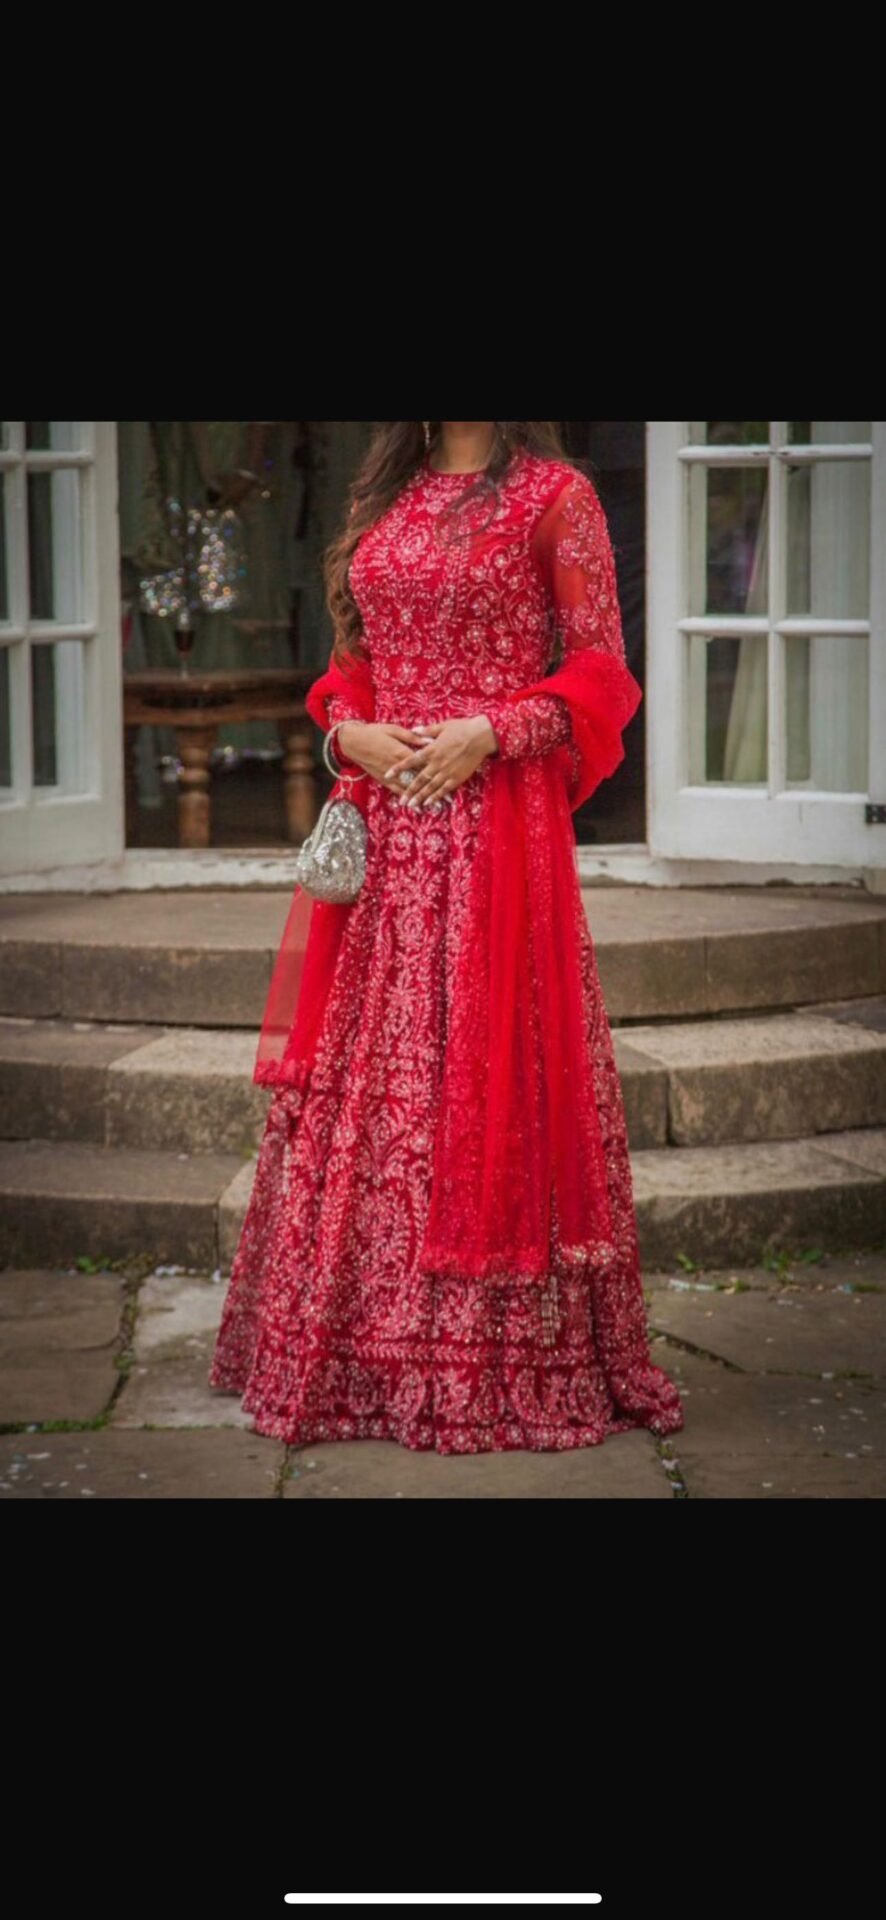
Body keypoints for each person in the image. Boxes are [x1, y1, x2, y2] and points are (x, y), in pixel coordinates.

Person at [208, 421, 685, 1455]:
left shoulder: (558, 496)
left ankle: (492, 1361)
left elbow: (601, 673)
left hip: (496, 833)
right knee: (371, 1086)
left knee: (484, 1069)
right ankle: (353, 1350)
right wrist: (348, 731)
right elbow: (350, 669)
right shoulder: (385, 493)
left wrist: (494, 730)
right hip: (385, 836)